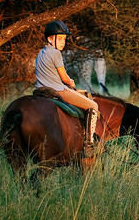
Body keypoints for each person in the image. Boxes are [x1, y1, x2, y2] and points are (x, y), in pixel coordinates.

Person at [34, 20, 101, 154]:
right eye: (59, 39)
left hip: (39, 90)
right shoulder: (55, 53)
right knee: (93, 106)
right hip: (57, 90)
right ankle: (88, 144)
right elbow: (64, 78)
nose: (62, 42)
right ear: (50, 39)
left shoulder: (40, 53)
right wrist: (71, 82)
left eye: (64, 39)